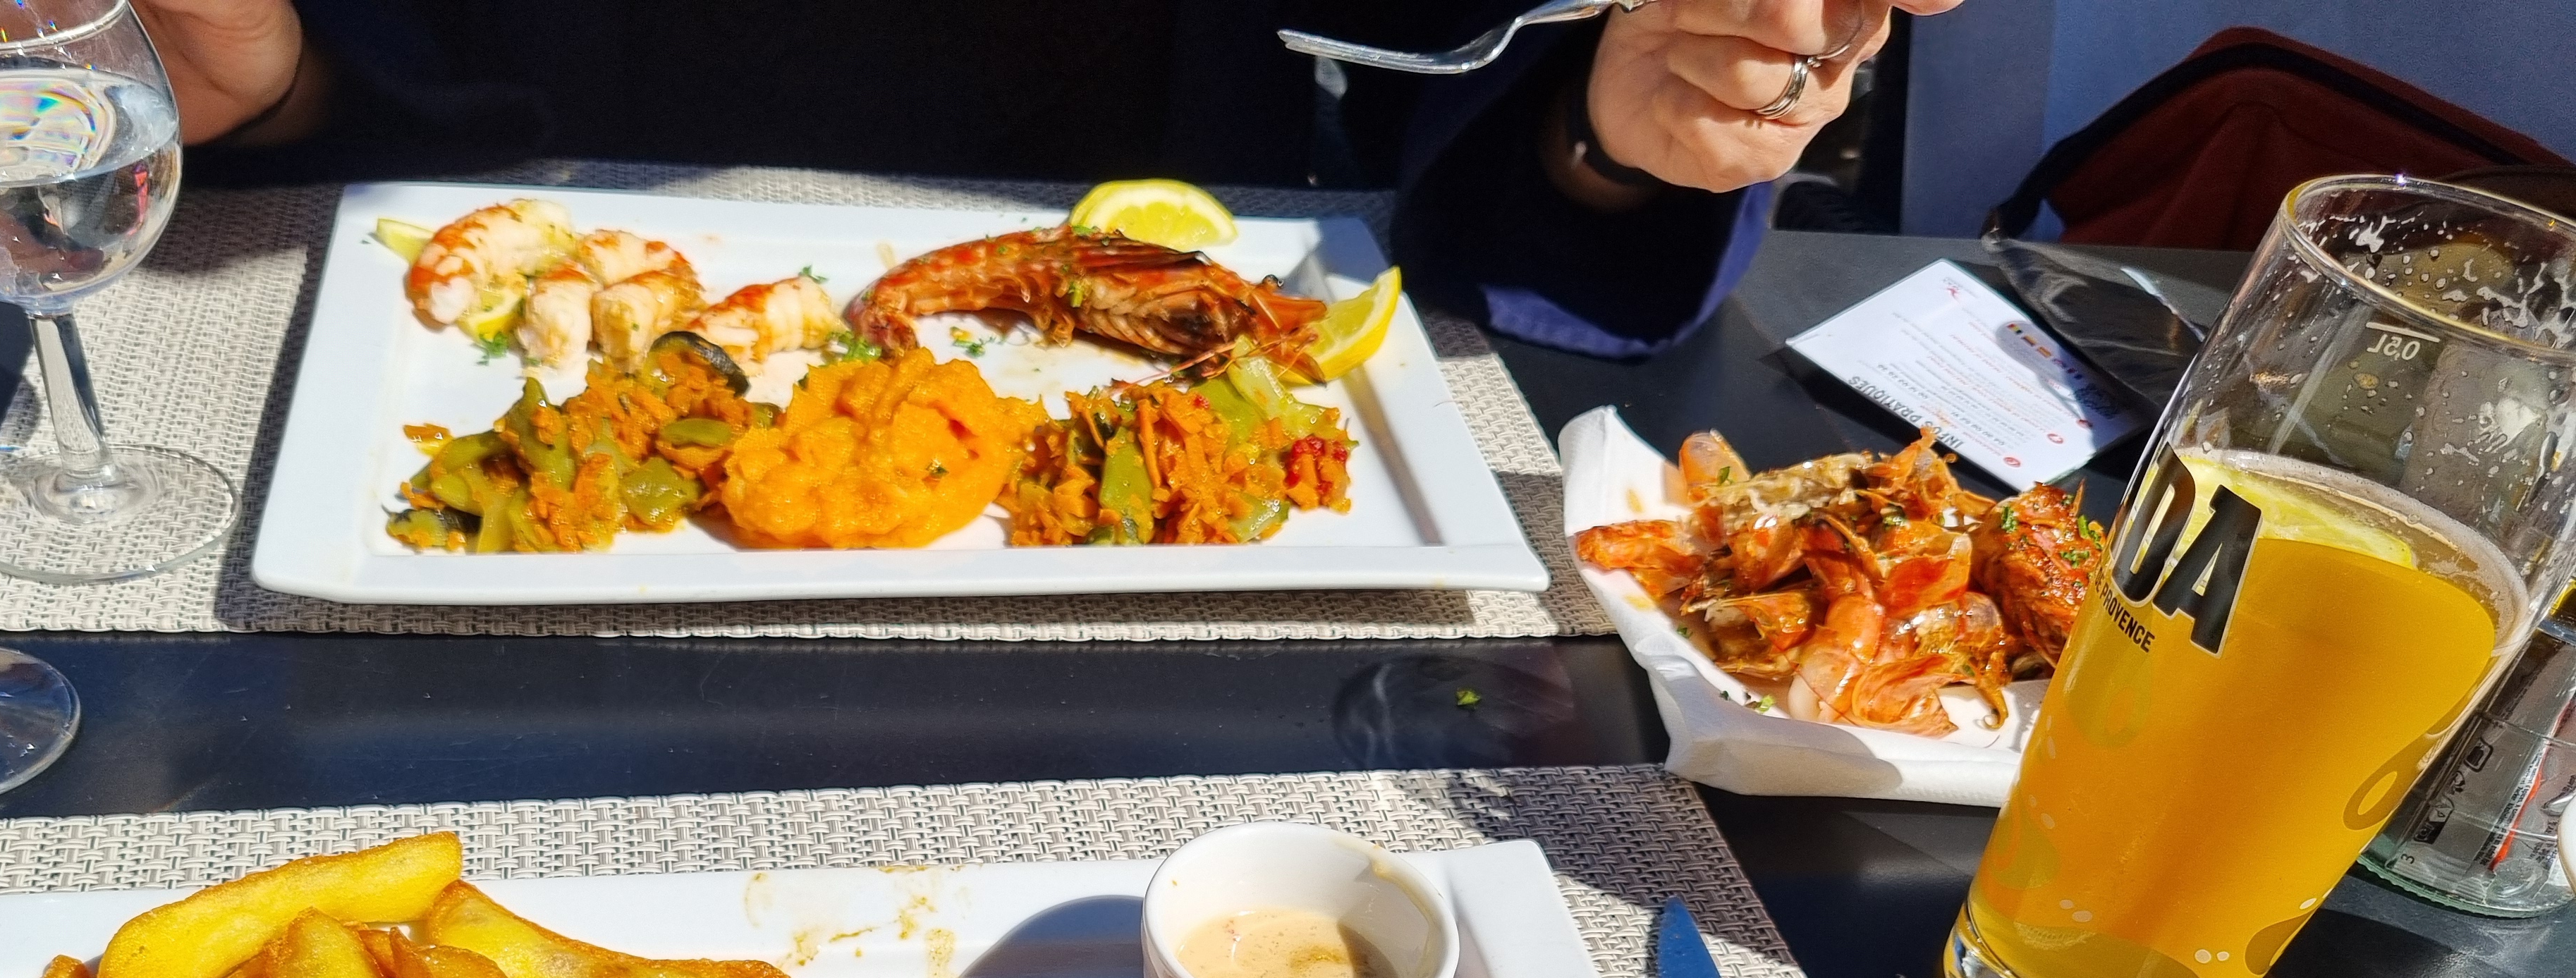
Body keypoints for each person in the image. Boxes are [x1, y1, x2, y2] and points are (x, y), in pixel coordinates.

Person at [136, 0, 1960, 357]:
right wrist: (278, 85)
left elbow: (1502, 189)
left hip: (1154, 372)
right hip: (424, 306)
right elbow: (334, 67)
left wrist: (1620, 130)